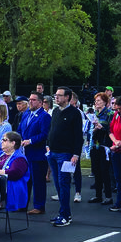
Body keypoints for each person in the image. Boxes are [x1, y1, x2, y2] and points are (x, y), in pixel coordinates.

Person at [46, 86, 83, 227]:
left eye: (60, 95)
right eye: (56, 95)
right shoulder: (55, 111)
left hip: (66, 154)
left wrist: (76, 154)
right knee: (58, 184)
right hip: (53, 152)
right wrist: (48, 144)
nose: (57, 97)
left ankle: (65, 215)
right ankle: (63, 212)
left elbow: (78, 136)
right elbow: (51, 130)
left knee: (64, 183)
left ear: (67, 97)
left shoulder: (75, 113)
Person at [19, 92, 52, 215]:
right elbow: (20, 129)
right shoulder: (26, 114)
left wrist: (31, 141)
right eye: (30, 99)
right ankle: (23, 204)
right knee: (25, 180)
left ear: (40, 102)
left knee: (38, 181)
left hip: (37, 153)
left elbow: (45, 134)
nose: (30, 102)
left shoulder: (44, 116)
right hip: (25, 153)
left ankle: (39, 206)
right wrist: (17, 139)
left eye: (33, 100)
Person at [88, 92, 114, 204]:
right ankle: (98, 195)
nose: (96, 103)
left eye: (98, 100)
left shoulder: (109, 113)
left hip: (104, 145)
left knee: (105, 171)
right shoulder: (95, 114)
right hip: (95, 144)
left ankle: (108, 196)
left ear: (104, 101)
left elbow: (111, 129)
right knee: (96, 170)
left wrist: (101, 127)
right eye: (95, 101)